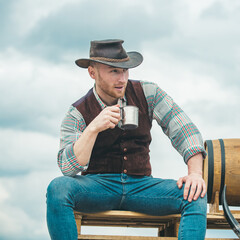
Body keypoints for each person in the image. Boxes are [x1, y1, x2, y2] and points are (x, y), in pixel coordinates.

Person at [46, 39, 208, 240]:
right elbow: (67, 167)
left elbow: (185, 129)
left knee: (195, 194)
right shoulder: (77, 112)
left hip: (142, 186)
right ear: (92, 73)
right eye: (113, 71)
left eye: (125, 70)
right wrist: (93, 128)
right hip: (99, 187)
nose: (122, 78)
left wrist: (195, 173)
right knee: (58, 188)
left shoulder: (148, 92)